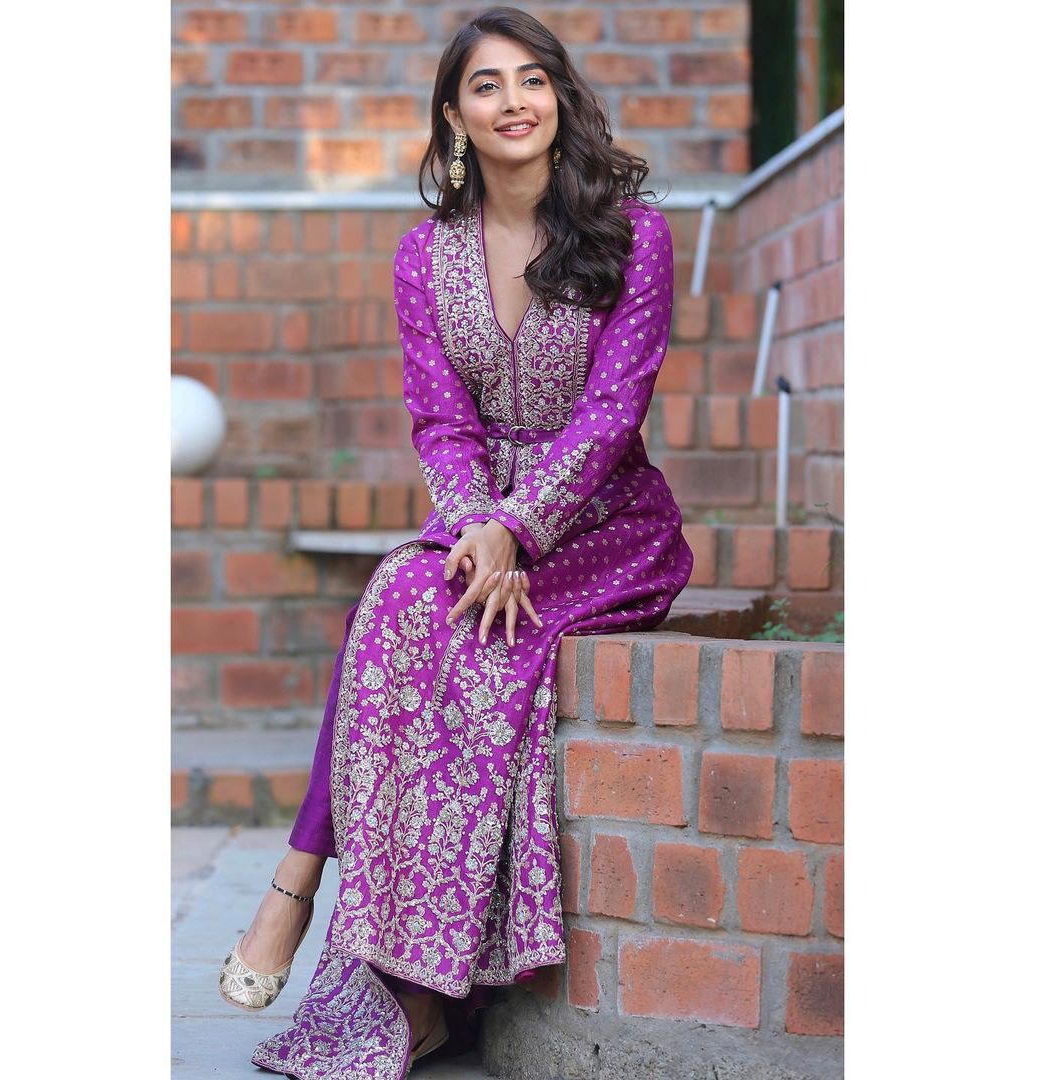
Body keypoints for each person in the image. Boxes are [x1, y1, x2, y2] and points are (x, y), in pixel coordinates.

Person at [217, 6, 694, 1077]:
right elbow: (441, 421)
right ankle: (329, 912)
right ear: (454, 116)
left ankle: (392, 963)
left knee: (478, 653)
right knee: (398, 599)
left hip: (606, 525)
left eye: (533, 79)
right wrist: (481, 523)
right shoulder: (424, 256)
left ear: (559, 97)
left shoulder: (634, 235)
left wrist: (519, 527)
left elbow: (613, 413)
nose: (514, 101)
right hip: (477, 519)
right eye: (487, 85)